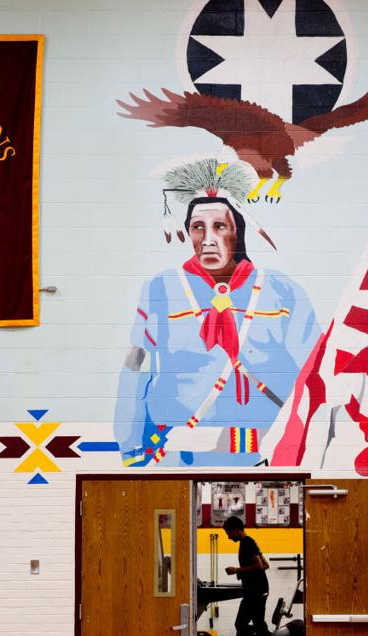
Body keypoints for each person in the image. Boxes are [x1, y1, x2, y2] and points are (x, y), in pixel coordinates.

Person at [115, 161, 322, 468]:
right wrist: (130, 442)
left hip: (265, 452)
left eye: (219, 227)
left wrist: (312, 443)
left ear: (237, 233)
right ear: (188, 233)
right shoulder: (161, 289)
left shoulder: (281, 290)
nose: (208, 238)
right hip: (179, 453)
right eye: (198, 227)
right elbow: (135, 367)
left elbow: (314, 370)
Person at [222, 515, 285, 636]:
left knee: (241, 624)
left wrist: (236, 570)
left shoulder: (246, 544)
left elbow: (258, 566)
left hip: (255, 591)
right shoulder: (251, 541)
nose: (229, 538)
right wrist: (245, 572)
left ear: (236, 530)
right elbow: (265, 565)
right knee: (258, 626)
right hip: (260, 589)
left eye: (229, 533)